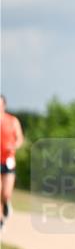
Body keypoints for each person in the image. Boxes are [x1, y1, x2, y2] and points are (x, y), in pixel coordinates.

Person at [0, 94, 25, 230]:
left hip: (8, 160)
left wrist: (14, 146)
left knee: (6, 193)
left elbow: (20, 138)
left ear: (4, 105)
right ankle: (0, 221)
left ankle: (7, 203)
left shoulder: (12, 121)